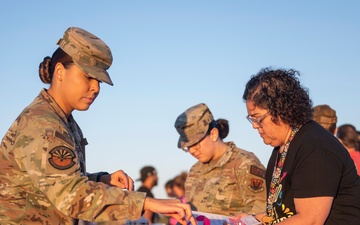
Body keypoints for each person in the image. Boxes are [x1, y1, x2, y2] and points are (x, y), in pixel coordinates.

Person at [0, 27, 196, 225]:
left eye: (99, 81)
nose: (95, 88)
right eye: (88, 77)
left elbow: (54, 181)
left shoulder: (63, 121)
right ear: (60, 72)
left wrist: (101, 180)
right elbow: (72, 196)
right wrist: (147, 203)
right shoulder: (43, 124)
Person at [240, 67, 360, 224]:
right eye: (251, 119)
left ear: (281, 109)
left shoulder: (315, 148)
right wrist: (252, 218)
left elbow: (310, 220)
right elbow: (284, 211)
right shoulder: (283, 146)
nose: (254, 126)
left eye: (258, 118)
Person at [174, 103, 267, 216]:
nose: (192, 151)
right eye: (188, 147)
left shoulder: (243, 163)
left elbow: (261, 209)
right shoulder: (195, 170)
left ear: (213, 134)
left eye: (196, 144)